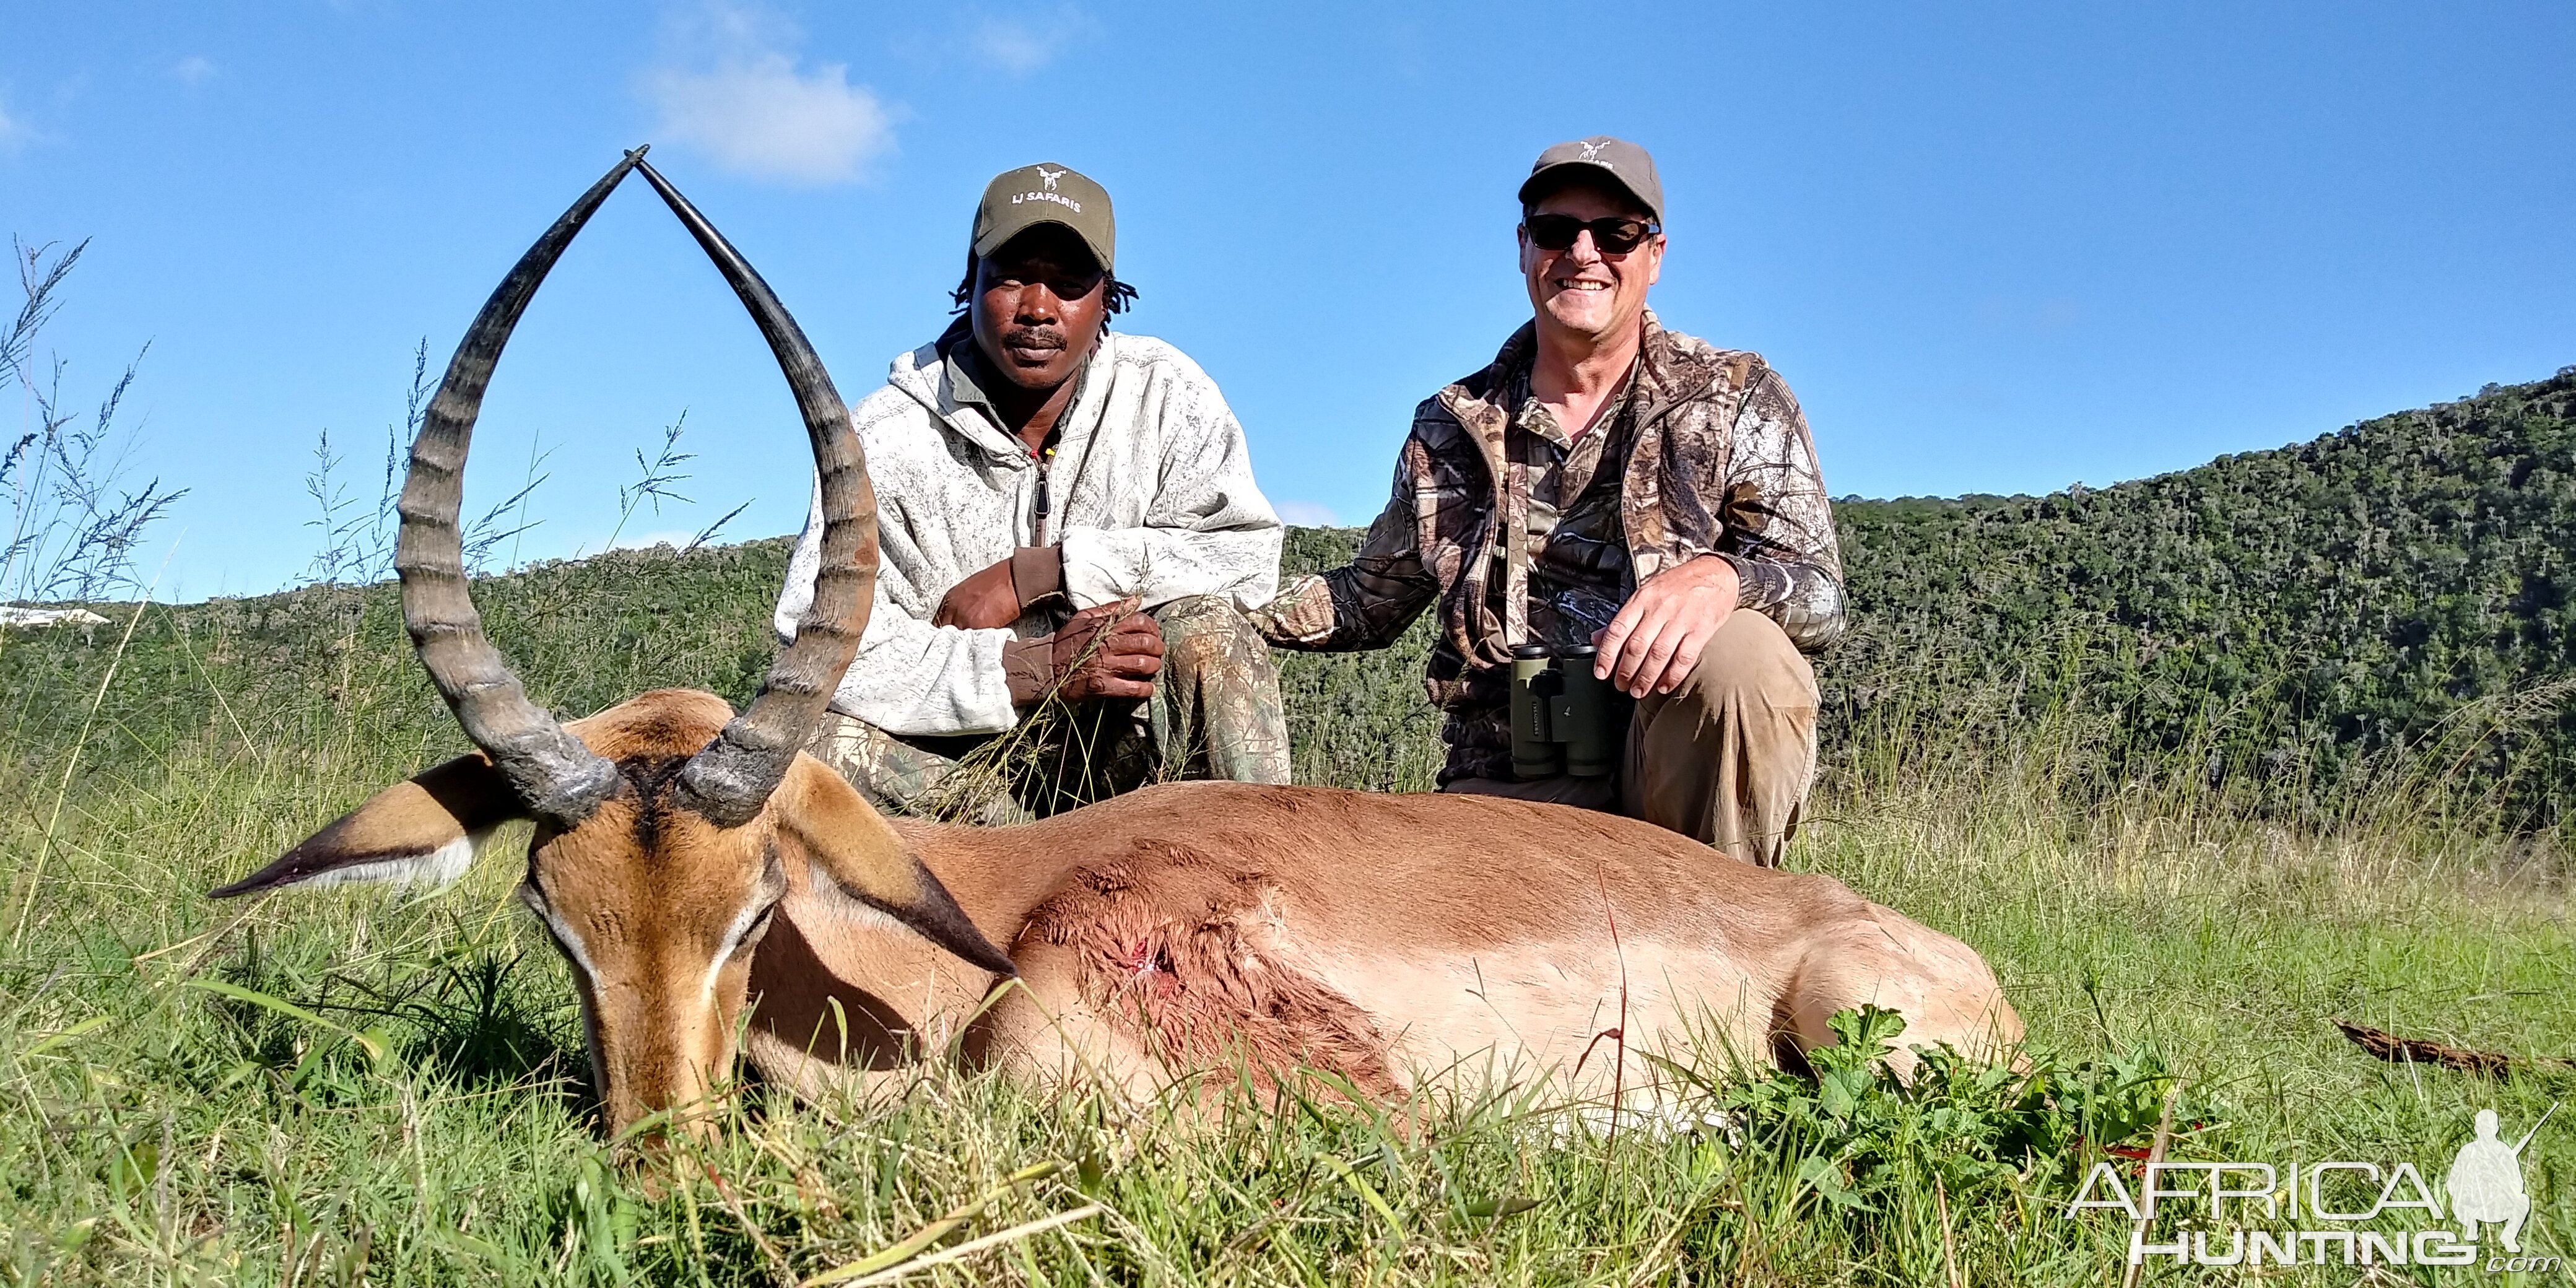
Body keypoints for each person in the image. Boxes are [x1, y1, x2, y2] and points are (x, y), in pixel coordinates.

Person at [1254, 136, 1843, 866]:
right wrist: (1222, 606)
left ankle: (1726, 946)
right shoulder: (1451, 422)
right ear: (1524, 247)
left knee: (1745, 654)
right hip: (1502, 790)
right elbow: (1365, 599)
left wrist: (1725, 579)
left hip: (1665, 781)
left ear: (1654, 255)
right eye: (1557, 230)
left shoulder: (1736, 395)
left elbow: (1820, 595)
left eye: (1616, 234)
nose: (1583, 253)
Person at [777, 162, 1289, 822]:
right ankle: (987, 898)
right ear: (971, 284)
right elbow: (816, 643)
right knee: (812, 747)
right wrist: (1031, 667)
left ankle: (1258, 890)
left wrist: (1047, 572)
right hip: (962, 784)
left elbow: (1246, 558)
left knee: (1210, 635)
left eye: (1069, 283)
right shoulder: (885, 434)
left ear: (1109, 298)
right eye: (1012, 276)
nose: (1038, 308)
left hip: (1126, 769)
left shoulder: (1166, 393)